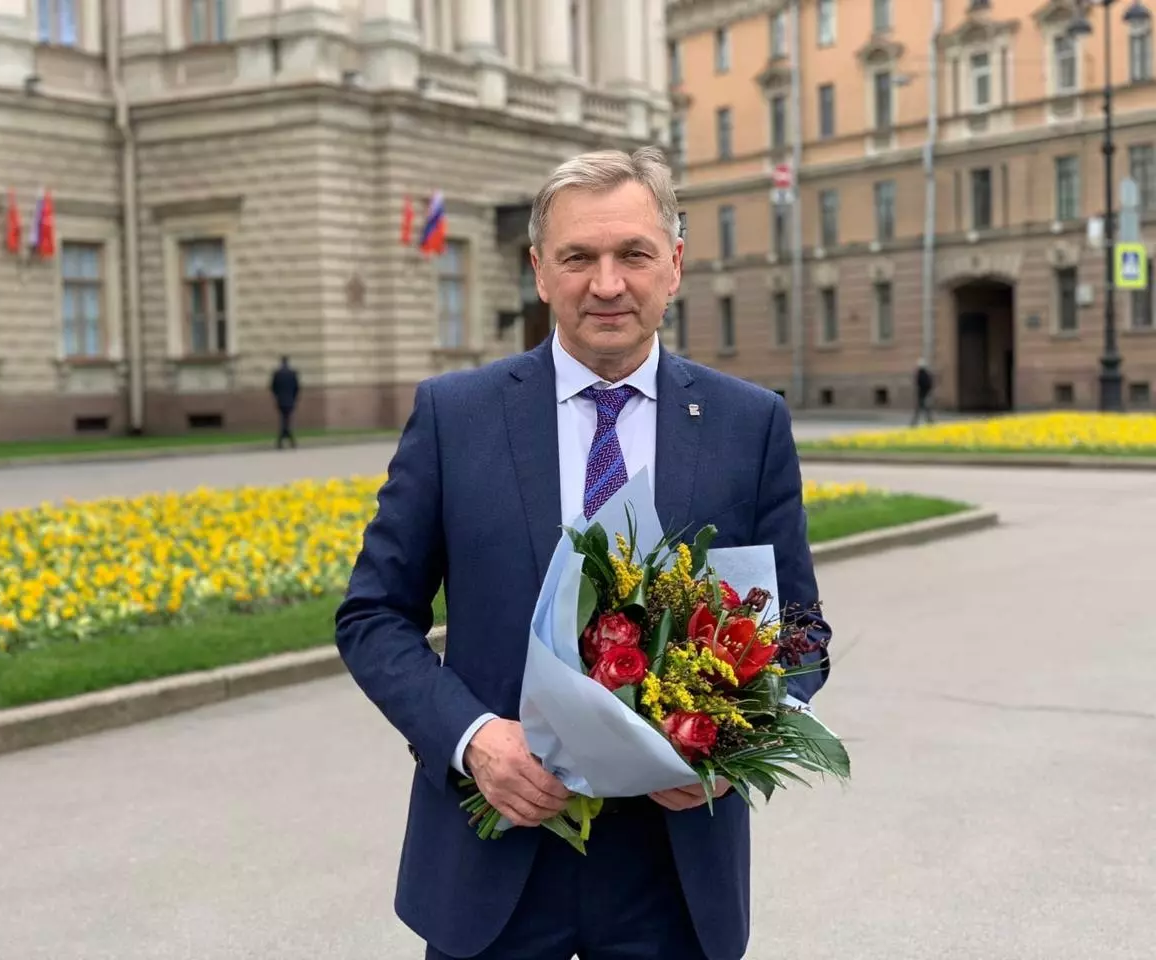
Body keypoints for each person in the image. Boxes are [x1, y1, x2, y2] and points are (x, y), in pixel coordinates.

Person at [335, 147, 832, 960]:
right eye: (578, 258)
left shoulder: (749, 426)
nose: (607, 284)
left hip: (673, 872)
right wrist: (471, 739)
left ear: (674, 265)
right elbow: (373, 616)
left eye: (633, 254)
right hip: (495, 851)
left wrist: (729, 751)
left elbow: (799, 634)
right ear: (539, 271)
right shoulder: (456, 417)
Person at [270, 356, 300, 448]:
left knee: (283, 419)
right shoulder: (292, 373)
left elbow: (273, 387)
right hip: (290, 400)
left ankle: (283, 439)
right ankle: (289, 438)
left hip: (281, 400)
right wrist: (294, 398)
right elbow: (296, 387)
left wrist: (276, 397)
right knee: (287, 419)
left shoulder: (277, 374)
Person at [911, 359, 935, 427]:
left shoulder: (921, 374)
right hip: (925, 394)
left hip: (922, 394)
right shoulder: (926, 374)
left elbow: (919, 384)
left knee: (920, 409)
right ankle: (929, 421)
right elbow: (929, 384)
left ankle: (915, 422)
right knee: (925, 409)